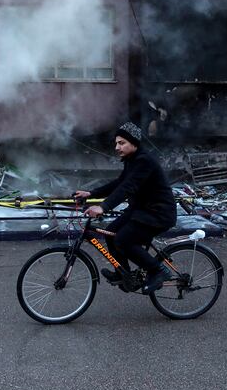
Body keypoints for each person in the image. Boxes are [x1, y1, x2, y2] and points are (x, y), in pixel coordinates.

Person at [74, 122, 177, 294]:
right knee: (111, 233)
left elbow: (127, 188)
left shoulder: (145, 161)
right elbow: (119, 183)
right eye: (116, 143)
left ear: (134, 142)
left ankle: (158, 271)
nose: (116, 147)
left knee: (123, 239)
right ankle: (124, 274)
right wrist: (90, 193)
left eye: (121, 143)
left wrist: (103, 207)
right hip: (141, 210)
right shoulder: (132, 160)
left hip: (158, 213)